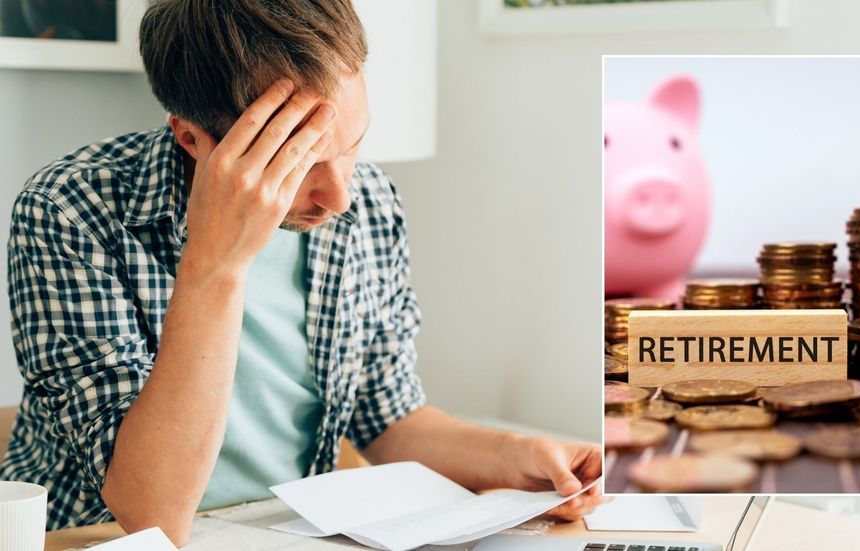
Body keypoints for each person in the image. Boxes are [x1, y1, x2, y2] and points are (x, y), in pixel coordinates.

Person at [0, 0, 603, 546]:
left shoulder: (367, 201)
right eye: (301, 163)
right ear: (190, 136)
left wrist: (517, 453)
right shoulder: (69, 211)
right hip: (96, 539)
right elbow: (149, 513)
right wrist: (218, 261)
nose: (340, 196)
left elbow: (388, 416)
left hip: (284, 533)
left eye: (353, 145)